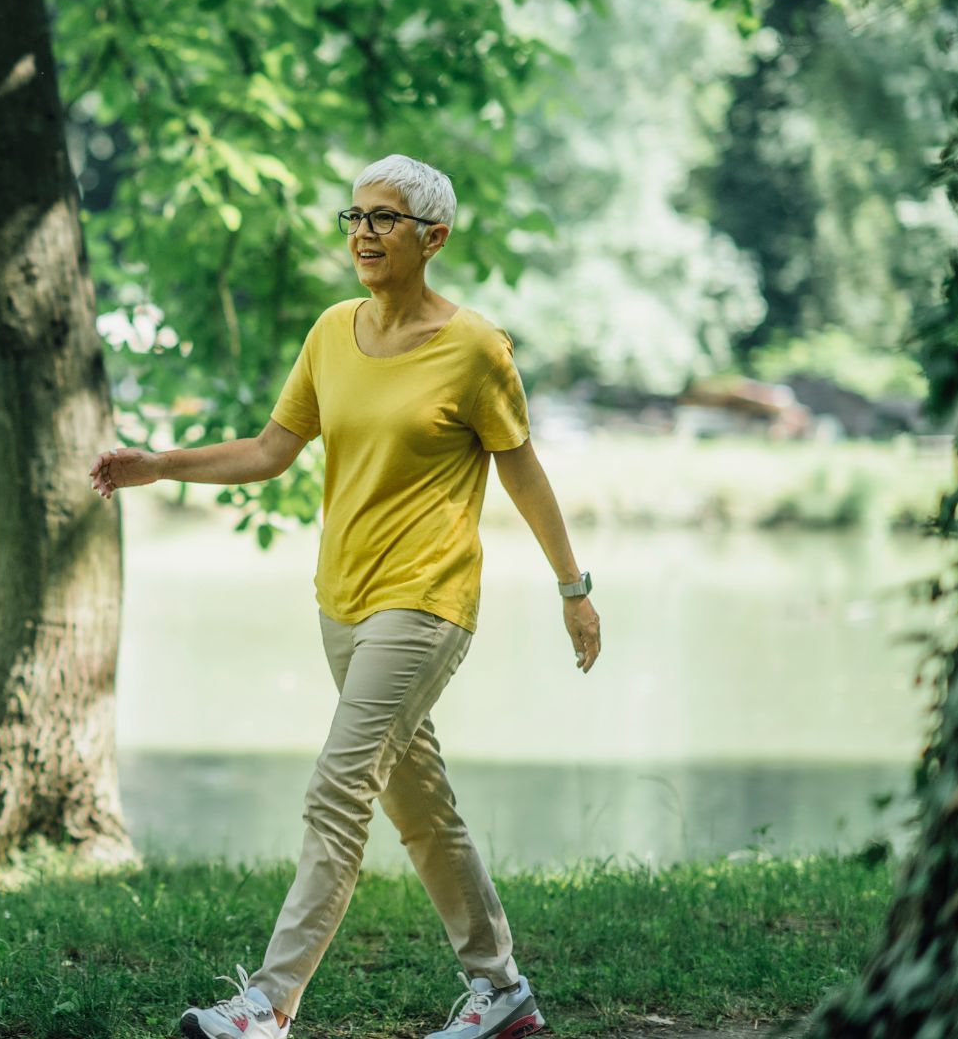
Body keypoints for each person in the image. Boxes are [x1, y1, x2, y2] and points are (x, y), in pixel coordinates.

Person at [87, 154, 601, 1039]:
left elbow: (523, 472)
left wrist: (573, 589)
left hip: (427, 601)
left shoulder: (476, 348)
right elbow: (268, 450)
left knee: (338, 789)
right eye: (355, 216)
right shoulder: (331, 332)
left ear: (433, 237)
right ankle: (503, 991)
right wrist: (160, 465)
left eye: (385, 219)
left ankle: (269, 1004)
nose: (363, 233)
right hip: (343, 602)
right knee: (418, 803)